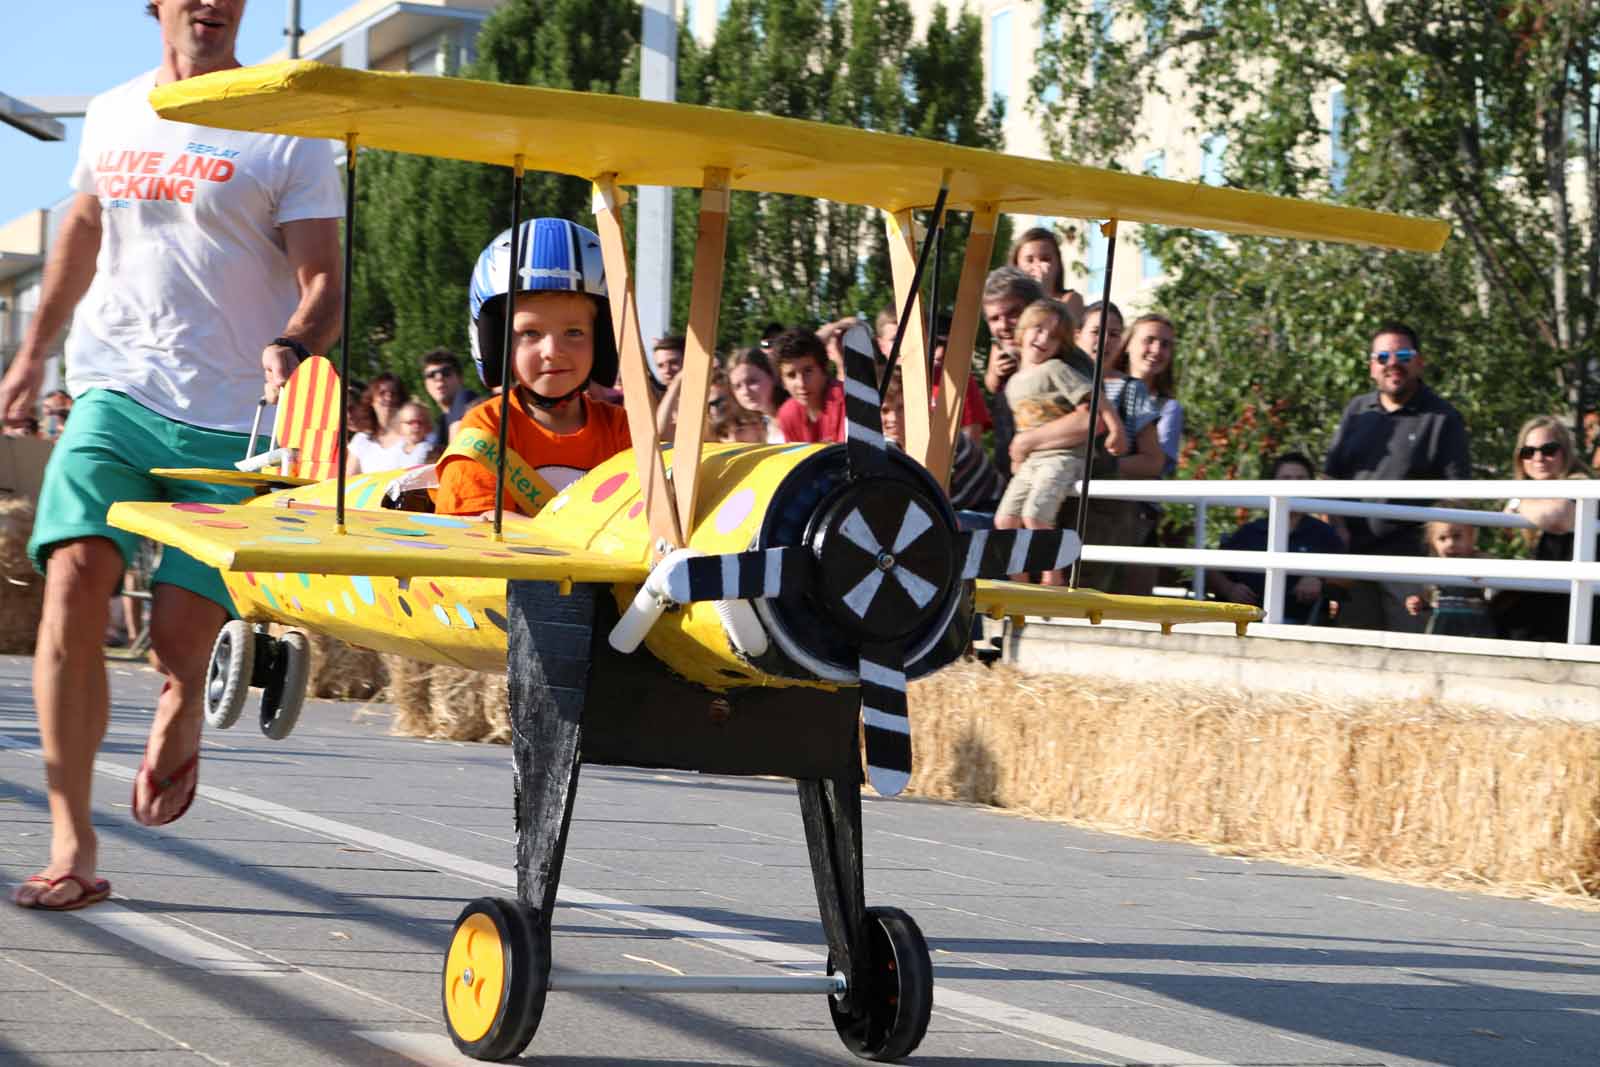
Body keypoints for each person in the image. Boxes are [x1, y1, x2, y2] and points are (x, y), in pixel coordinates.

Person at [2, 0, 342, 911]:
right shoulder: (114, 111)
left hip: (234, 419)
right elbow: (83, 230)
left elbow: (323, 279)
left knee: (180, 639)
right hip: (115, 392)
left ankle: (183, 692)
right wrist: (33, 353)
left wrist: (296, 343)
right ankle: (71, 841)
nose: (213, 3)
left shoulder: (288, 122)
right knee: (73, 579)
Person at [436, 217, 630, 518]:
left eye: (574, 332)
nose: (552, 351)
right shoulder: (486, 430)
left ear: (603, 339)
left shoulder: (621, 429)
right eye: (530, 333)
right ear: (497, 344)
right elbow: (472, 534)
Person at [1324, 322, 1471, 631]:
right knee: (1354, 650)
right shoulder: (1356, 412)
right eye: (1383, 357)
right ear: (1372, 368)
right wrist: (1335, 529)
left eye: (1403, 355)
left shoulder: (1442, 418)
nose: (1393, 363)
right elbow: (1330, 478)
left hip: (1411, 565)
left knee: (1410, 651)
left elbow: (1456, 496)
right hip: (1353, 562)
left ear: (1419, 362)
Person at [994, 300, 1128, 586]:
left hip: (1062, 456)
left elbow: (1094, 399)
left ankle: (1052, 577)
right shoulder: (1013, 383)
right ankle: (1018, 581)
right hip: (1032, 460)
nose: (1043, 339)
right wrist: (1019, 455)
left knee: (1036, 515)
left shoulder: (1056, 369)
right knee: (1005, 520)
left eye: (1053, 336)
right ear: (1022, 331)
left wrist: (1116, 429)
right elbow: (1025, 425)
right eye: (1038, 329)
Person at [1209, 452, 1344, 624]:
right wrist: (1229, 589)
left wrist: (1319, 579)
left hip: (1302, 627)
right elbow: (1212, 571)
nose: (1293, 484)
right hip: (1245, 623)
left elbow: (1347, 579)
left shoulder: (1324, 533)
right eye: (1286, 478)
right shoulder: (1250, 531)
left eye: (1301, 479)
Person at [1493, 415, 1594, 642]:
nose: (1538, 458)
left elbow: (1557, 517)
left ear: (1565, 452)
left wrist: (1518, 503)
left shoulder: (1580, 484)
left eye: (1548, 450)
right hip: (1536, 604)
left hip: (1571, 609)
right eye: (1528, 451)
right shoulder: (1527, 492)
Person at [981, 268, 1046, 473]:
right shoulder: (1003, 360)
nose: (1003, 326)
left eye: (1013, 313)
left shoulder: (1063, 361)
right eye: (994, 318)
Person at [1405, 515, 1495, 637]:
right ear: (1432, 543)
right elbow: (1430, 598)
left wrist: (1484, 575)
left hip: (1476, 629)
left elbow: (1497, 591)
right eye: (1442, 538)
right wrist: (1419, 602)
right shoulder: (1434, 569)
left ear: (1472, 538)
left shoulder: (1482, 562)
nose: (1450, 544)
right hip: (1443, 629)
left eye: (1457, 536)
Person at [772, 327, 846, 443]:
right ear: (783, 382)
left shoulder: (847, 401)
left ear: (824, 369)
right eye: (791, 375)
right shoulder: (788, 414)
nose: (801, 383)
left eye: (808, 371)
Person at [1007, 225, 1084, 322]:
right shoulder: (1010, 302)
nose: (1037, 265)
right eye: (1030, 260)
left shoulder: (1071, 299)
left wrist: (1043, 289)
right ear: (1017, 265)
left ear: (1058, 264)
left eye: (1045, 259)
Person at [420, 348, 479, 454]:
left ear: (460, 378)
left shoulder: (466, 398)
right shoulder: (441, 422)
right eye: (431, 375)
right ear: (425, 384)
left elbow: (457, 453)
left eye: (446, 372)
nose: (439, 378)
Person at [727, 346, 787, 443]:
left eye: (752, 381)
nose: (745, 391)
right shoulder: (760, 426)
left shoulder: (796, 413)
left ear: (772, 376)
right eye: (737, 386)